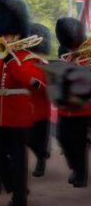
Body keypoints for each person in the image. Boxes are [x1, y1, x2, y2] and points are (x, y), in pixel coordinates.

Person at [0, 0, 42, 206]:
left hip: (19, 112)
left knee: (18, 156)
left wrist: (9, 59)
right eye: (2, 36)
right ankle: (14, 185)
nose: (5, 40)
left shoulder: (28, 58)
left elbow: (26, 79)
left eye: (9, 36)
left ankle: (20, 197)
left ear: (18, 35)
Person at [55, 17, 89, 187]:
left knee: (79, 140)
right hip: (67, 104)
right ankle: (75, 168)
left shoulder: (88, 47)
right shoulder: (63, 49)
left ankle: (81, 175)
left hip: (85, 105)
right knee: (63, 138)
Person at [25, 23, 52, 178]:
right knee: (27, 139)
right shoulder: (25, 62)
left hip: (41, 108)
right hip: (26, 108)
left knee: (39, 139)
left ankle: (41, 158)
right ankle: (42, 153)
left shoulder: (45, 65)